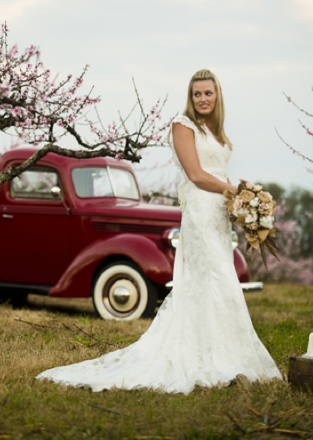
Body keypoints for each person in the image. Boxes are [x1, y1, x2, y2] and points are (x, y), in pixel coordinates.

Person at [35, 69, 282, 393]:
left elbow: (217, 172)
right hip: (200, 208)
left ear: (217, 95)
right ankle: (206, 357)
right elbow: (195, 174)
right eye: (197, 94)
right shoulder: (183, 125)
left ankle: (225, 353)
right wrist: (234, 192)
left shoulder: (216, 130)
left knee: (220, 278)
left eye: (208, 93)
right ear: (190, 97)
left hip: (219, 212)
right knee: (214, 276)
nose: (203, 99)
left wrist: (240, 203)